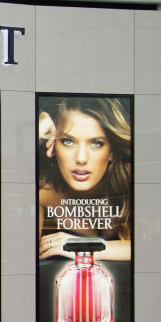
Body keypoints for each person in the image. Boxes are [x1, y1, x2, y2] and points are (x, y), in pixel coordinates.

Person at [37, 97, 131, 261]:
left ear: (112, 152)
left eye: (96, 143)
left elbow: (152, 249)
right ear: (53, 145)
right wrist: (35, 131)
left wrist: (82, 246)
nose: (81, 158)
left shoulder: (128, 185)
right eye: (68, 141)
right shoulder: (41, 196)